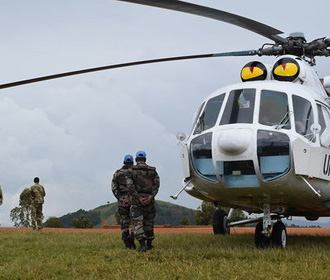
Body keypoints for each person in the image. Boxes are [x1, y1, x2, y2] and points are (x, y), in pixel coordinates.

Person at [132, 150, 160, 251]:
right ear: (145, 159)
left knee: (138, 222)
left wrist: (139, 198)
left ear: (136, 159)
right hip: (150, 201)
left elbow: (130, 186)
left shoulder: (132, 170)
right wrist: (149, 198)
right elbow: (156, 186)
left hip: (136, 201)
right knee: (149, 222)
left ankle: (142, 245)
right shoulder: (153, 171)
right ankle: (149, 244)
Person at [111, 154, 136, 249]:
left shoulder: (117, 173)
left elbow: (114, 188)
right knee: (136, 222)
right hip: (134, 201)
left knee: (124, 222)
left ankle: (127, 243)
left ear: (124, 162)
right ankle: (132, 238)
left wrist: (122, 199)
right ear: (132, 162)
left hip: (122, 202)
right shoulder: (135, 173)